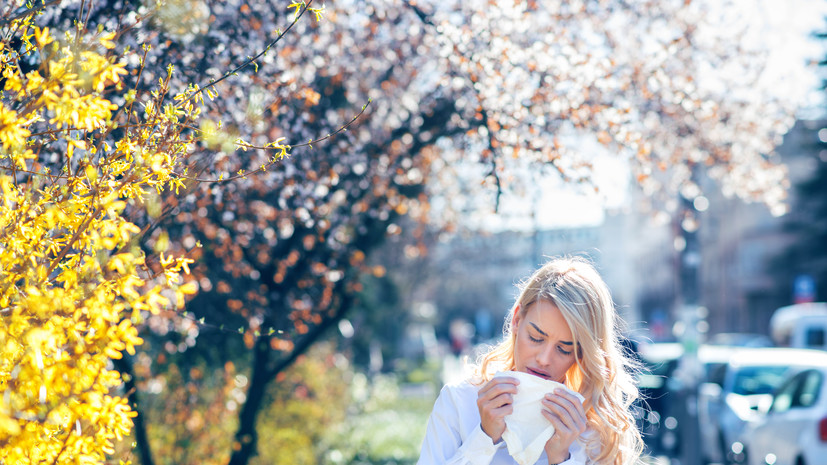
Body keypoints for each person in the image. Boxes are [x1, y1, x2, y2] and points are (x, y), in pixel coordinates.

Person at [417, 257, 643, 465]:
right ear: (516, 320)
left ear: (581, 354)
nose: (544, 359)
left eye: (564, 349)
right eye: (536, 338)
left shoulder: (589, 430)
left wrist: (561, 459)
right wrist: (484, 437)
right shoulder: (460, 401)